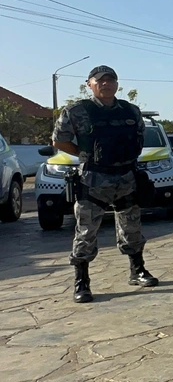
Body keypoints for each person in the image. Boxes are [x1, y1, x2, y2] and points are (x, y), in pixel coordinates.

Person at [52, 65, 158, 303]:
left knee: (132, 226)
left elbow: (139, 138)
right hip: (94, 178)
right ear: (89, 84)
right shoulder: (77, 111)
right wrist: (85, 155)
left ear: (116, 84)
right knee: (86, 230)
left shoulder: (131, 111)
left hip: (126, 176)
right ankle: (82, 282)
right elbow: (59, 141)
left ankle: (137, 270)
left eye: (110, 80)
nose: (105, 84)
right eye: (100, 80)